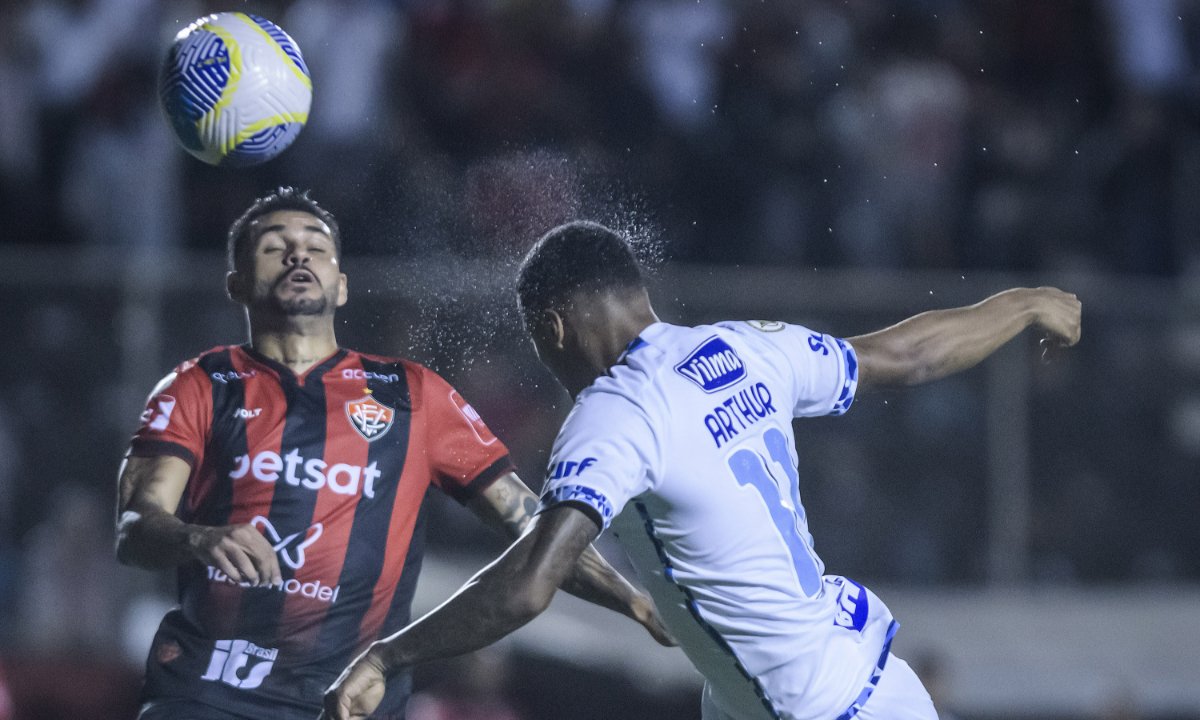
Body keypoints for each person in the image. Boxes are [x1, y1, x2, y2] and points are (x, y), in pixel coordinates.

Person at [323, 221, 1082, 720]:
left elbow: (528, 583)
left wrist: (390, 654)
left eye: (540, 343)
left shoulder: (615, 411)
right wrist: (1021, 303)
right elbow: (905, 354)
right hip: (861, 686)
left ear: (552, 327)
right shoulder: (748, 346)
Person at [115, 195, 669, 720]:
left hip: (347, 702)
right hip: (205, 693)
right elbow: (136, 527)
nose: (298, 254)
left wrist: (635, 601)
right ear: (237, 283)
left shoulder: (412, 394)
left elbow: (533, 525)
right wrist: (199, 537)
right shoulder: (199, 385)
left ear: (342, 285)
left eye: (316, 245)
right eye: (273, 245)